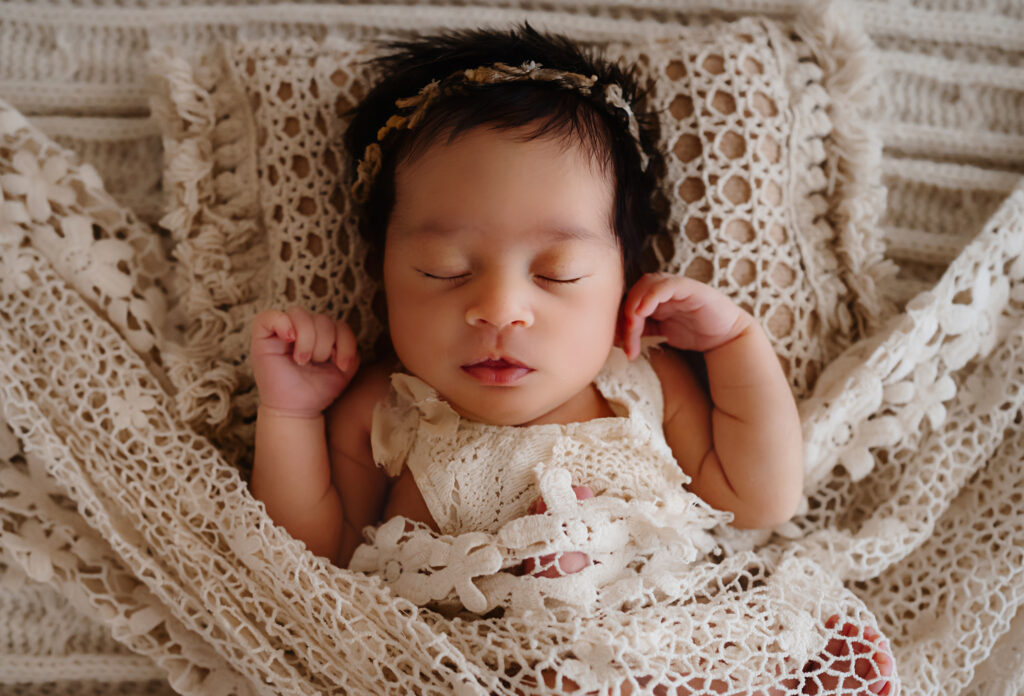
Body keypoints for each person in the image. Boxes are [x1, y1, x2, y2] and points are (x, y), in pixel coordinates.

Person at [248, 24, 894, 695]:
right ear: (383, 275)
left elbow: (761, 498)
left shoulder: (637, 380)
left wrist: (735, 344)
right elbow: (312, 554)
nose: (500, 309)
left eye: (557, 273)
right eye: (442, 270)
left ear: (625, 277)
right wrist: (289, 412)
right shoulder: (389, 403)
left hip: (651, 659)